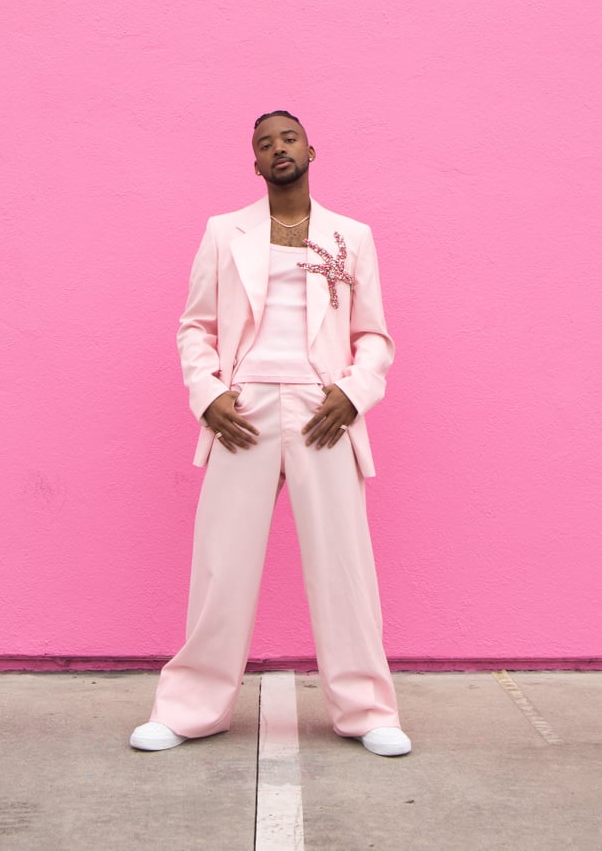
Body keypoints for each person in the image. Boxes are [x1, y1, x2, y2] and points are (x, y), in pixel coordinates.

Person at [131, 111, 410, 757]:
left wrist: (352, 391)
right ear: (254, 163)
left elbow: (374, 334)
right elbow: (195, 326)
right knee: (222, 563)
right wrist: (209, 396)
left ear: (312, 148)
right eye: (264, 143)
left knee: (344, 563)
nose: (277, 148)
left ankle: (366, 708)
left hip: (325, 410)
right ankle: (189, 706)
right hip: (244, 411)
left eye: (287, 137)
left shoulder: (353, 236)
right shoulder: (223, 232)